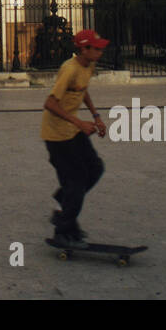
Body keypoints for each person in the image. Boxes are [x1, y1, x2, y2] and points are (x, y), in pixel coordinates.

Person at [41, 28, 109, 243]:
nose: (100, 52)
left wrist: (96, 116)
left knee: (95, 168)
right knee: (76, 180)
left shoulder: (89, 65)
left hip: (73, 131)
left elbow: (83, 89)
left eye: (100, 49)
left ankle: (64, 200)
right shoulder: (69, 69)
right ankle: (63, 228)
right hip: (57, 136)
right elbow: (50, 103)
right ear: (83, 49)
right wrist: (79, 122)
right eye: (96, 49)